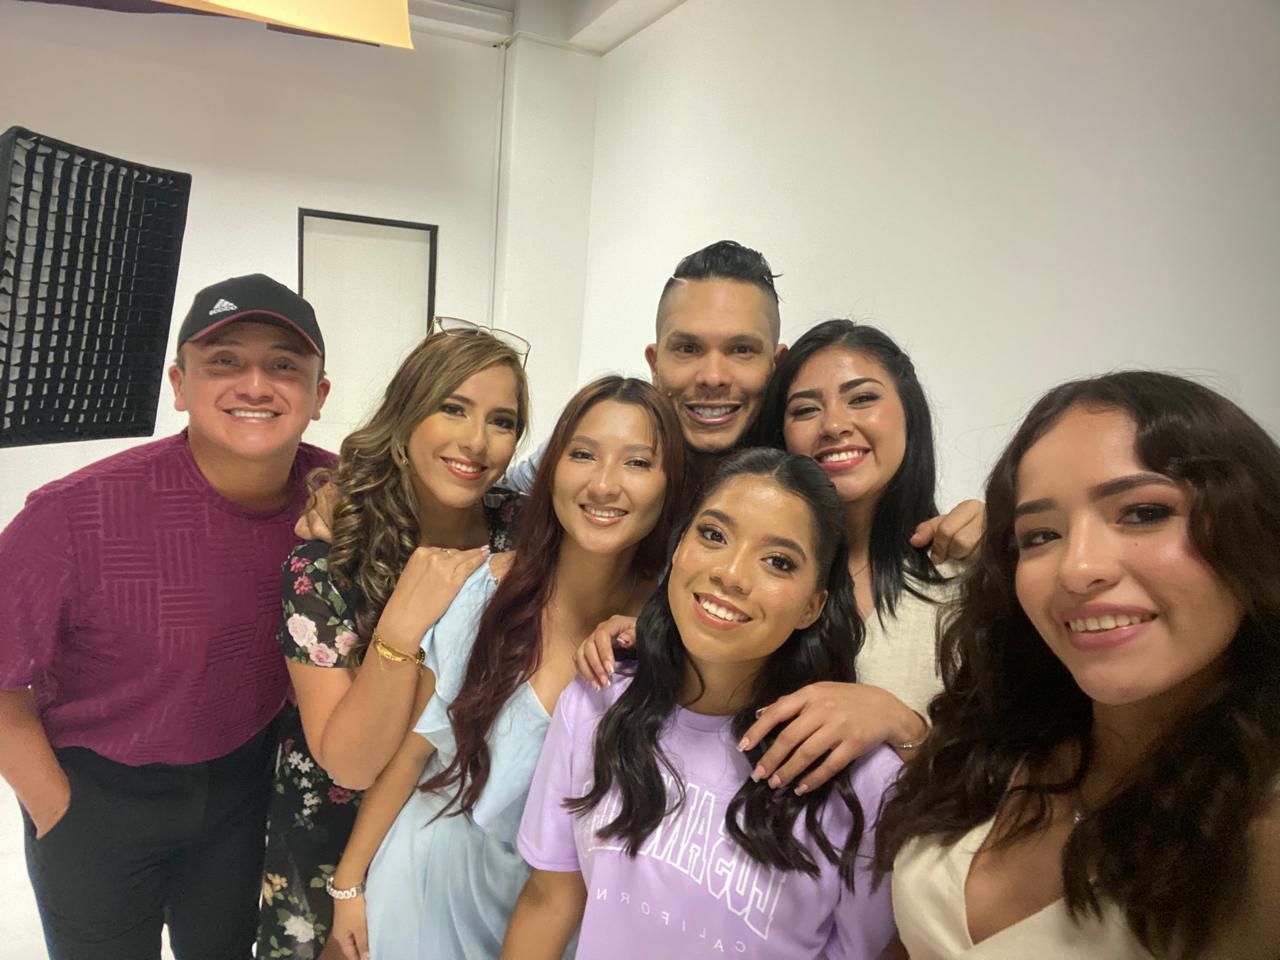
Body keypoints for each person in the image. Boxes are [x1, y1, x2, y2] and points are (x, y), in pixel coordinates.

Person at [874, 372, 1280, 959]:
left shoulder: (1260, 833)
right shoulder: (1000, 737)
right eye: (1041, 535)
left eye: (1143, 512)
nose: (1077, 568)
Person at [0, 274, 333, 960]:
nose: (255, 385)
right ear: (179, 385)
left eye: (283, 366)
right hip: (99, 796)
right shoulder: (73, 515)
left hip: (242, 788)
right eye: (224, 361)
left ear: (318, 395)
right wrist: (56, 810)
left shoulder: (339, 498)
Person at [324, 377, 684, 960]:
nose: (604, 484)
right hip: (424, 890)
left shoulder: (673, 634)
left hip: (552, 916)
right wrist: (348, 883)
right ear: (550, 469)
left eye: (638, 462)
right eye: (583, 454)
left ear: (671, 485)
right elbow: (413, 754)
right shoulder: (483, 590)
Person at [505, 448, 901, 959]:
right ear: (677, 549)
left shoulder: (863, 777)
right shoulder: (596, 697)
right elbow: (550, 899)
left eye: (778, 562)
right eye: (713, 535)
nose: (731, 574)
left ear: (812, 606)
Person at [259, 326, 529, 958]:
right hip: (338, 834)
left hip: (462, 837)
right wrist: (402, 625)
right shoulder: (327, 562)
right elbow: (350, 765)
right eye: (453, 408)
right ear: (406, 415)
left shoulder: (522, 530)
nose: (476, 441)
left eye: (502, 421)